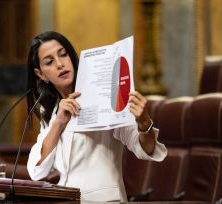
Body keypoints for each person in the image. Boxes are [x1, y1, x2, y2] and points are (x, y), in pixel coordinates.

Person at [26, 31, 167, 202]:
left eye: (63, 55)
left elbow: (144, 148)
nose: (60, 64)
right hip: (66, 200)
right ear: (41, 74)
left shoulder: (105, 96)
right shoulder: (50, 111)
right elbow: (37, 171)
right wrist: (59, 123)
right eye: (49, 62)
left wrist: (144, 123)